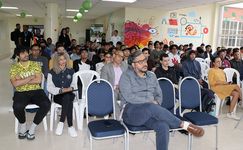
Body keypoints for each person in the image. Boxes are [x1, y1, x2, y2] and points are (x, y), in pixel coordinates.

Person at [119, 51, 204, 150]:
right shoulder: (126, 76)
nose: (145, 63)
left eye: (145, 60)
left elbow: (159, 94)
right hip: (132, 112)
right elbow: (129, 97)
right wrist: (150, 101)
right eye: (140, 61)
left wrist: (157, 102)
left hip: (150, 112)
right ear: (133, 65)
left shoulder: (152, 76)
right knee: (151, 107)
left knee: (163, 126)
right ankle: (182, 124)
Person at [9, 46, 51, 140]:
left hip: (36, 90)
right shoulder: (14, 67)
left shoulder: (35, 65)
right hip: (21, 92)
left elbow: (39, 80)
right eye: (23, 53)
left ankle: (33, 127)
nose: (26, 55)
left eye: (26, 52)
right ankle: (23, 125)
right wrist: (30, 78)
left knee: (46, 104)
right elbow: (15, 83)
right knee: (17, 107)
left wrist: (22, 80)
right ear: (18, 56)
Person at [47, 52, 77, 137]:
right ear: (56, 61)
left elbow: (74, 84)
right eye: (60, 59)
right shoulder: (52, 72)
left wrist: (70, 88)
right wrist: (60, 90)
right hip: (58, 96)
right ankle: (70, 126)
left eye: (64, 59)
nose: (63, 61)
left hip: (70, 94)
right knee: (68, 100)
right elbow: (49, 87)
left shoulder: (71, 70)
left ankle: (61, 122)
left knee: (67, 96)